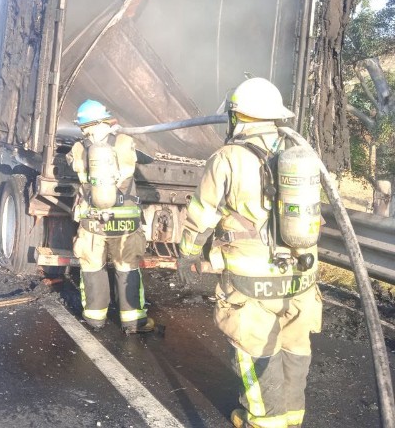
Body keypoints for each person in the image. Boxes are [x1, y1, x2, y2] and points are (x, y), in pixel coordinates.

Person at [176, 77, 322, 428]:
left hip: (252, 280)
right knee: (294, 345)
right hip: (301, 277)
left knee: (254, 350)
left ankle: (264, 421)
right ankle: (291, 418)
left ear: (237, 115)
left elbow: (202, 214)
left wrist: (188, 253)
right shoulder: (299, 153)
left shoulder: (227, 157)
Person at [67, 99, 154, 334]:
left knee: (92, 266)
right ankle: (132, 320)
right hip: (125, 222)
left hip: (93, 222)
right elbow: (132, 167)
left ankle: (95, 318)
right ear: (106, 119)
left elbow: (79, 176)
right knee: (127, 267)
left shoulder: (78, 148)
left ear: (84, 125)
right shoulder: (125, 142)